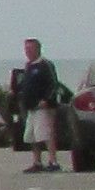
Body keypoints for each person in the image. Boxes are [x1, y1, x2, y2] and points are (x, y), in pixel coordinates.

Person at [9, 38, 67, 172]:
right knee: (32, 136)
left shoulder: (45, 64)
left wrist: (46, 100)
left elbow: (54, 84)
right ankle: (37, 162)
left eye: (30, 49)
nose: (27, 52)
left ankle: (53, 161)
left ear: (37, 49)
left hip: (43, 107)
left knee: (46, 134)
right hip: (31, 107)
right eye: (26, 49)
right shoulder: (28, 66)